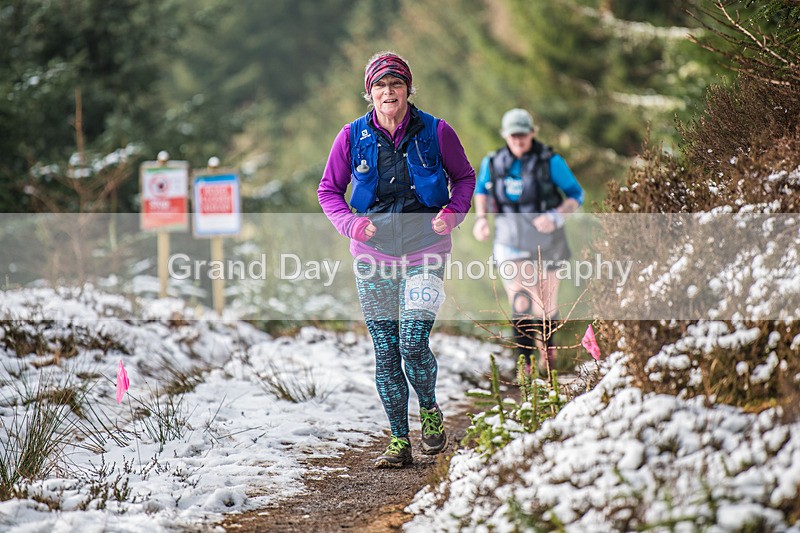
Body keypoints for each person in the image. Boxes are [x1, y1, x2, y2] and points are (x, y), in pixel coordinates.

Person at [318, 52, 475, 468]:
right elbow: (328, 191)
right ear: (369, 93)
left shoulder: (437, 131)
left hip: (426, 250)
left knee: (412, 341)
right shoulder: (351, 136)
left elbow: (464, 177)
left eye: (396, 84)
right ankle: (399, 440)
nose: (388, 92)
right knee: (386, 350)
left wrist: (453, 213)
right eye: (380, 86)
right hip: (373, 256)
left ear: (408, 89)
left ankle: (429, 409)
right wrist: (351, 224)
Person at [472, 108, 584, 375]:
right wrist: (481, 219)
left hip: (548, 241)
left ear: (533, 133)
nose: (518, 140)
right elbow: (481, 190)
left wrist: (556, 216)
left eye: (523, 134)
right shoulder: (493, 162)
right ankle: (524, 365)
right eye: (513, 135)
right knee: (521, 301)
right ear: (504, 135)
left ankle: (547, 357)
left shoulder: (550, 162)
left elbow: (575, 194)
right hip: (509, 241)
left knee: (544, 302)